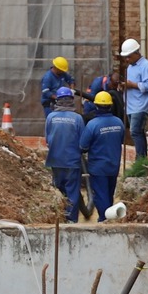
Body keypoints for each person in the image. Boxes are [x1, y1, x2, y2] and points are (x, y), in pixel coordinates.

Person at [42, 87, 87, 223]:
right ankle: (71, 219)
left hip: (55, 160)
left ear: (57, 101)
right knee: (72, 191)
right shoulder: (77, 118)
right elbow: (83, 142)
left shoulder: (50, 117)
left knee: (59, 189)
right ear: (71, 100)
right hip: (72, 161)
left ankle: (60, 218)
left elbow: (48, 141)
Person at [82, 91, 127, 222]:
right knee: (109, 194)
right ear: (110, 106)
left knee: (101, 195)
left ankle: (104, 220)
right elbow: (121, 139)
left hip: (98, 167)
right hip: (114, 165)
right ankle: (110, 218)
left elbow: (83, 146)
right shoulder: (119, 123)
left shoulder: (92, 125)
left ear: (96, 106)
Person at [118, 37, 148, 161]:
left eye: (129, 56)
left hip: (140, 106)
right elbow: (131, 84)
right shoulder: (130, 67)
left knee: (135, 132)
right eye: (126, 57)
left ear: (136, 53)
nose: (127, 59)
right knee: (137, 132)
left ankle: (140, 159)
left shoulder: (145, 66)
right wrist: (124, 86)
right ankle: (141, 158)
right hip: (131, 105)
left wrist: (133, 85)